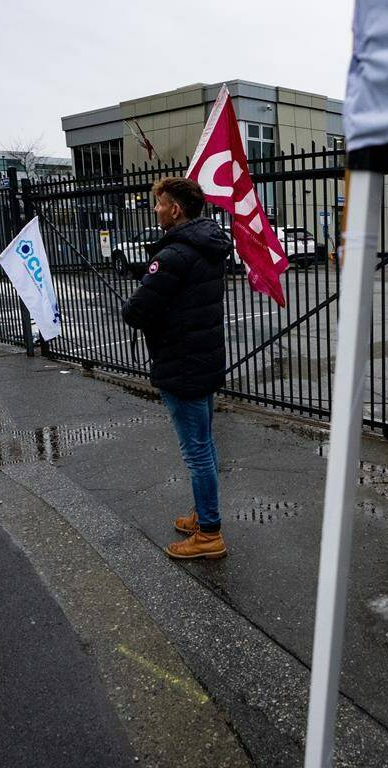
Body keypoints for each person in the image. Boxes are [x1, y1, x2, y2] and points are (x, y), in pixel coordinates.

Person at [122, 177, 232, 560]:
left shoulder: (174, 254)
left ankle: (210, 534)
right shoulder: (209, 245)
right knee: (205, 441)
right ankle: (204, 515)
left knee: (196, 451)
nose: (156, 209)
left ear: (176, 209)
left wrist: (148, 287)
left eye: (160, 203)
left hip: (181, 361)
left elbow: (135, 311)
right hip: (202, 356)